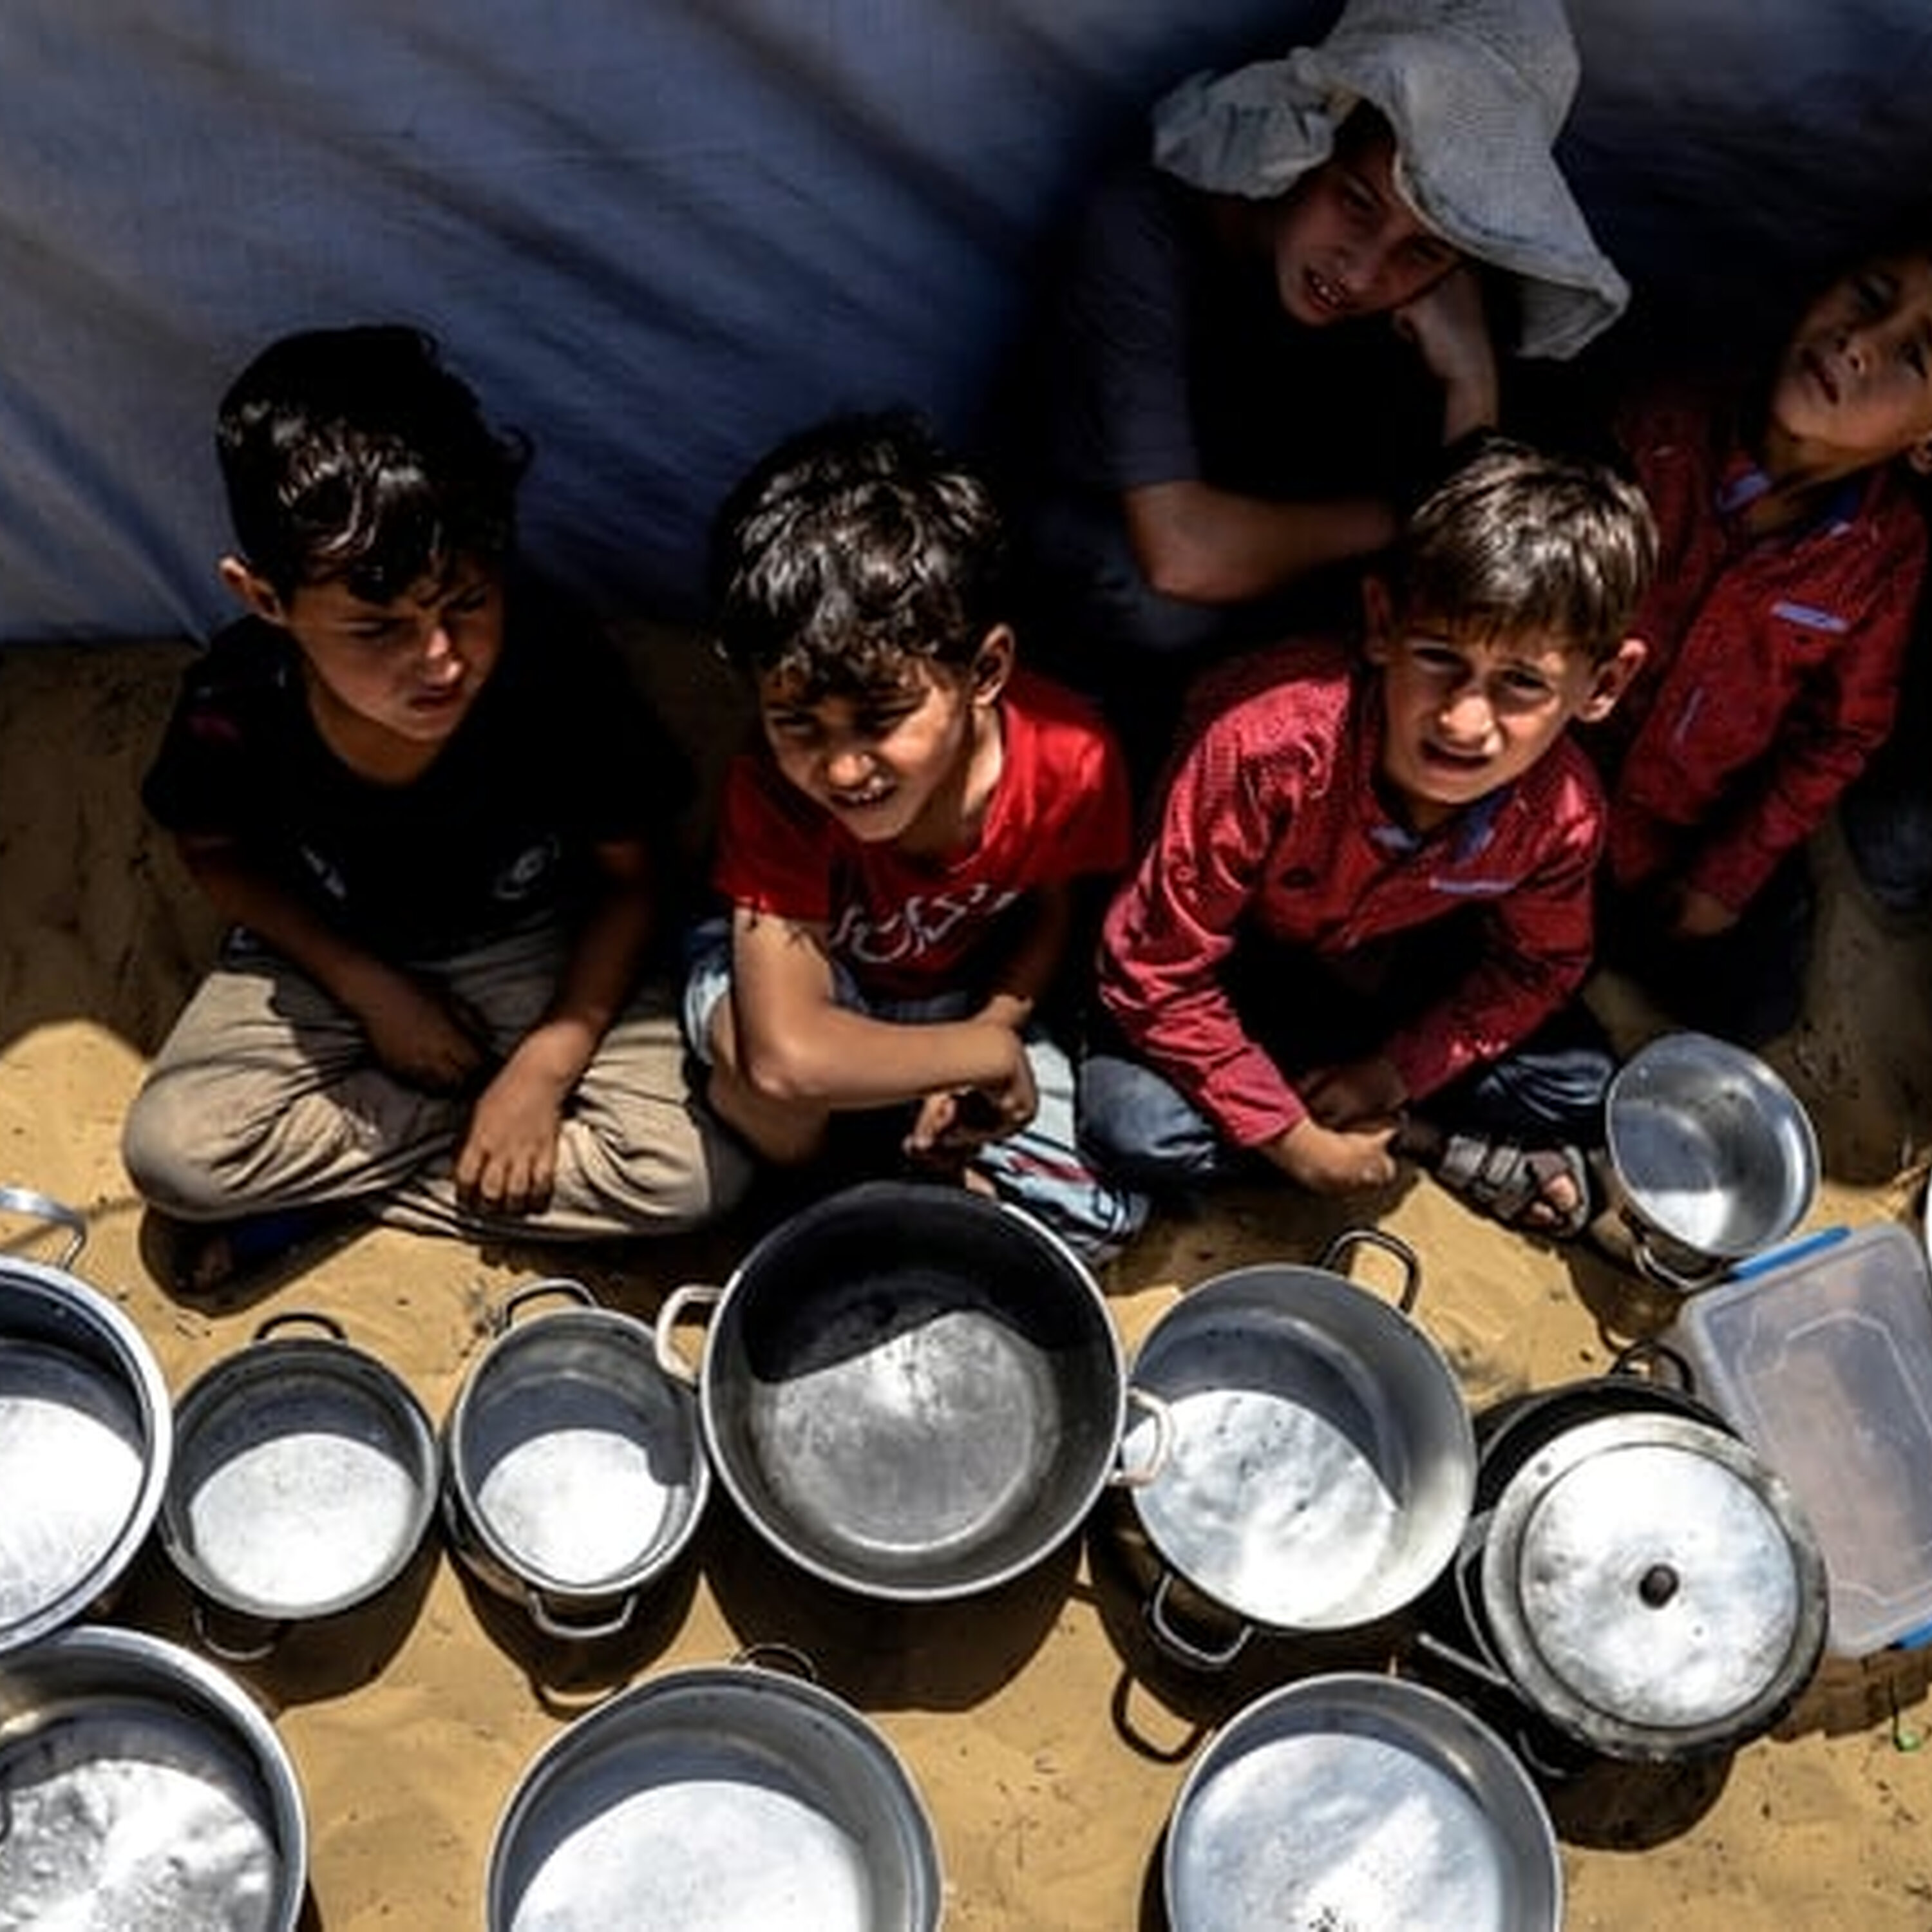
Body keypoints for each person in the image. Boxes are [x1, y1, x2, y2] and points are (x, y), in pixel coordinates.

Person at [122, 325, 747, 1287]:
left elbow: (633, 881)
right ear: (265, 599)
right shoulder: (239, 703)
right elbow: (212, 848)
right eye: (378, 629)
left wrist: (545, 1065)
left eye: (466, 601)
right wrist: (369, 986)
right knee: (175, 1156)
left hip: (532, 954)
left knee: (695, 1170)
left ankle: (329, 1197)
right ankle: (466, 1148)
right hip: (328, 954)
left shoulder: (553, 673)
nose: (442, 658)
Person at [1012, 0, 1627, 773]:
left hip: (1281, 599)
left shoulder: (1427, 315)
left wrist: (1472, 381)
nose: (1364, 270)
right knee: (1156, 604)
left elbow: (1463, 575)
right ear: (1306, 148)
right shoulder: (1145, 231)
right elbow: (1182, 556)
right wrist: (1411, 514)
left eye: (1423, 252)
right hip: (1094, 582)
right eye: (1356, 202)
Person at [1081, 440, 1653, 1236]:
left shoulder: (1560, 815)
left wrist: (1392, 1071)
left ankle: (1371, 1116)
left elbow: (1540, 966)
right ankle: (1401, 1137)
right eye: (1438, 658)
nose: (1463, 721)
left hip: (1368, 977)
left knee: (1585, 1084)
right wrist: (1288, 1136)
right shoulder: (1267, 747)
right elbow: (1152, 965)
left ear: (1604, 686)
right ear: (1383, 625)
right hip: (1228, 965)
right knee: (1136, 1128)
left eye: (1522, 683)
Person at [685, 410, 1146, 1261]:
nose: (844, 769)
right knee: (776, 1090)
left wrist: (988, 1035)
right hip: (798, 986)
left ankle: (883, 1147)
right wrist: (971, 1053)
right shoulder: (773, 791)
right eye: (799, 724)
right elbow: (788, 1049)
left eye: (881, 718)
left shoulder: (1072, 760)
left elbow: (1049, 912)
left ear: (984, 672)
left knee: (1101, 1218)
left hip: (948, 997)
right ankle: (844, 1174)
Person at [1589, 236, 1932, 1041]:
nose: (1859, 343)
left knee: (1757, 1006)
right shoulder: (1657, 425)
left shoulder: (1887, 557)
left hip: (1682, 836)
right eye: (1870, 296)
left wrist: (1724, 878)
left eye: (1914, 358)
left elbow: (1841, 735)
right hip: (1550, 804)